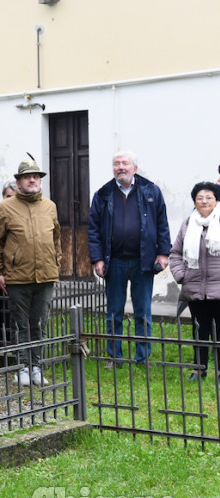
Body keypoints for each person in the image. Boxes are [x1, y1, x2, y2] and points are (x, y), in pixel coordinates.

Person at [88, 151, 171, 368]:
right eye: (116, 164)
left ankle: (142, 358)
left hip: (143, 260)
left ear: (134, 167)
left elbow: (162, 222)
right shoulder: (103, 194)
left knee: (142, 311)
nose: (120, 167)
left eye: (125, 163)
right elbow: (94, 229)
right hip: (114, 261)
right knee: (113, 311)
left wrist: (163, 254)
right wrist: (97, 259)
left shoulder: (151, 190)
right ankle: (114, 358)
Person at [0, 157, 61, 387]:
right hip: (17, 277)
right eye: (27, 176)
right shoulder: (5, 208)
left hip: (45, 275)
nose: (32, 180)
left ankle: (37, 366)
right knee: (20, 324)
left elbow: (57, 239)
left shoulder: (50, 206)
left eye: (36, 177)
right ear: (18, 181)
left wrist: (55, 263)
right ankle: (22, 366)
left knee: (39, 324)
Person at [169, 182, 220, 380]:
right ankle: (199, 369)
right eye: (200, 198)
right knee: (200, 330)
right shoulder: (188, 224)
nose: (204, 201)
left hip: (218, 288)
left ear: (216, 201)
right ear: (195, 202)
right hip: (195, 288)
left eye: (209, 197)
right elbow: (175, 253)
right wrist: (182, 275)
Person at [0, 180, 17, 349]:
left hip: (18, 274)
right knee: (2, 312)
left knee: (17, 313)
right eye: (8, 196)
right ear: (2, 197)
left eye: (13, 197)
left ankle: (16, 344)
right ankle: (3, 345)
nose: (10, 200)